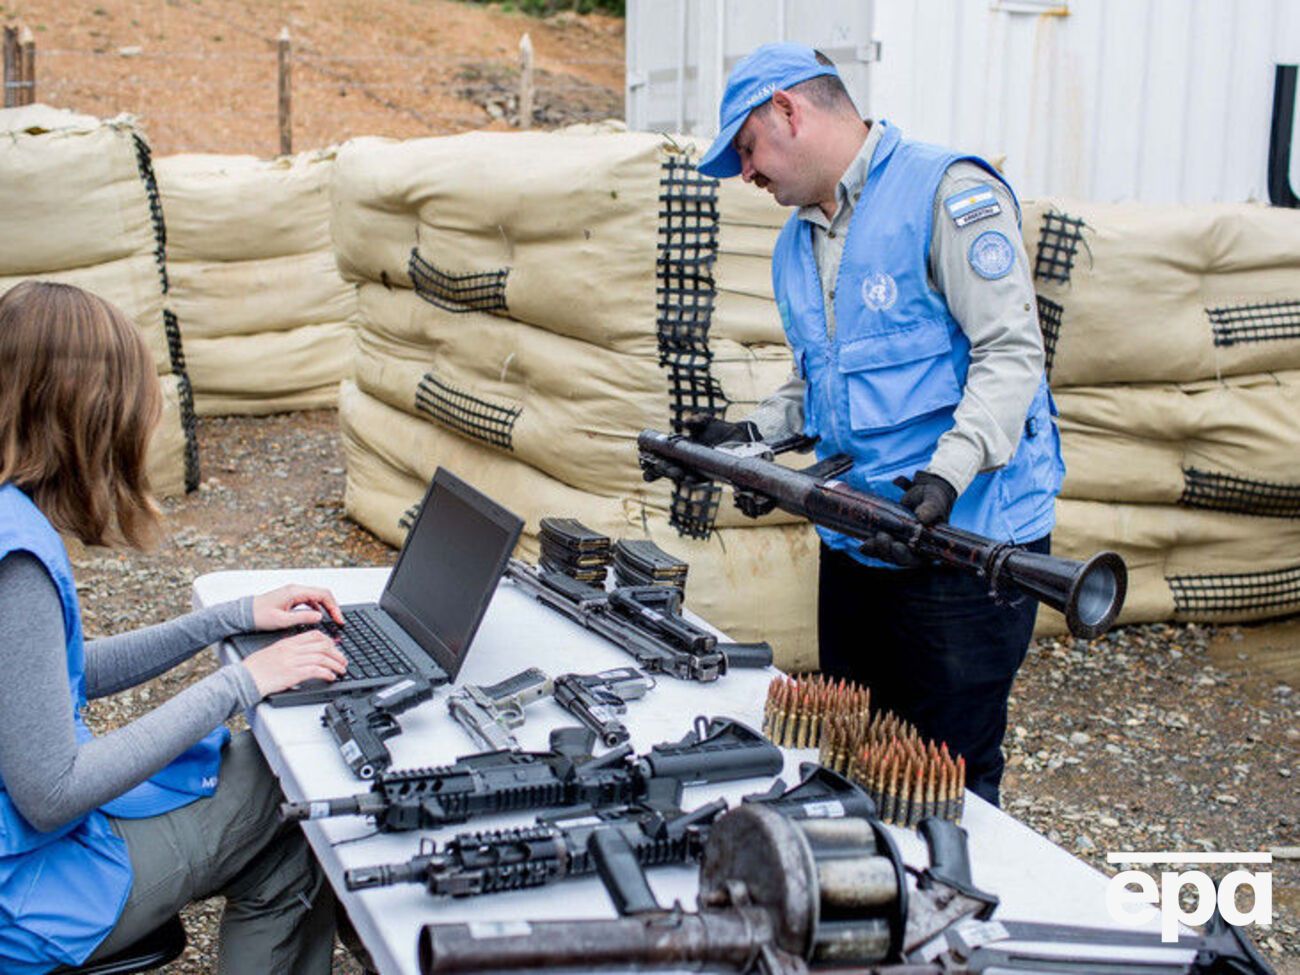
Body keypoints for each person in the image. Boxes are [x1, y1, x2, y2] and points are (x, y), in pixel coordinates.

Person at [692, 43, 1065, 806]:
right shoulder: (797, 243)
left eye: (748, 149)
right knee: (851, 756)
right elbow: (820, 378)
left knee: (944, 778)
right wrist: (752, 439)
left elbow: (1010, 352)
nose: (747, 174)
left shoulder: (947, 194)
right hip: (861, 545)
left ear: (788, 110)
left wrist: (945, 478)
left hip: (966, 549)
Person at [0, 280, 351, 973]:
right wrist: (243, 682)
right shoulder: (17, 562)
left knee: (277, 829)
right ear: (85, 413)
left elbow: (60, 671)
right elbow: (52, 793)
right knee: (297, 789)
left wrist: (227, 620)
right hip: (30, 898)